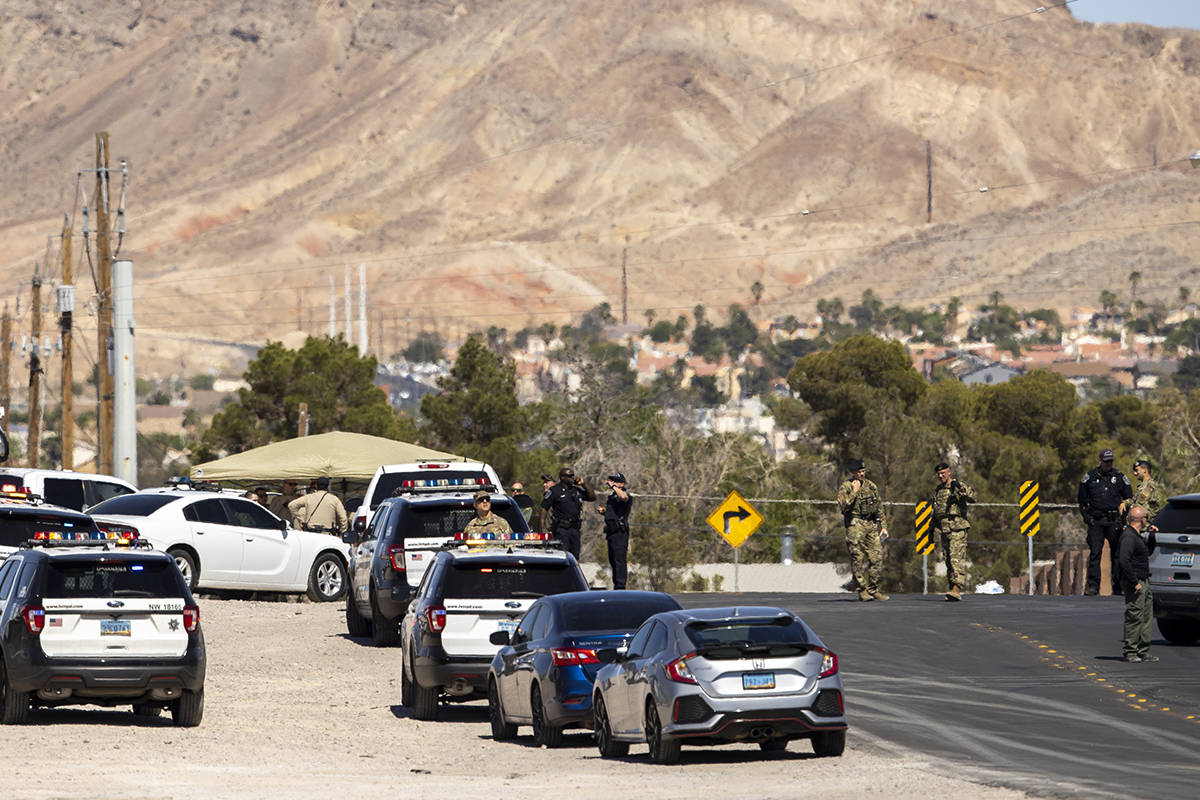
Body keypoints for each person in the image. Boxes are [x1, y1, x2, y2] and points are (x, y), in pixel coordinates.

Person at [1077, 449, 1133, 595]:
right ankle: (1093, 585)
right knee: (1095, 553)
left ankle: (1118, 586)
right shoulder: (1089, 477)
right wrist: (1087, 518)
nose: (1109, 464)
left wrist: (1124, 518)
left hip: (1114, 521)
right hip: (1096, 521)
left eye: (1111, 461)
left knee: (1117, 554)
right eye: (1106, 461)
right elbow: (1082, 501)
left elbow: (1128, 498)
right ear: (1100, 461)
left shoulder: (1119, 477)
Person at [837, 459, 887, 601]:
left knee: (877, 557)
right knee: (857, 557)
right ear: (853, 472)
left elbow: (879, 507)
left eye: (863, 471)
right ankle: (862, 589)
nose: (861, 474)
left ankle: (873, 588)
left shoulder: (871, 486)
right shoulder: (847, 486)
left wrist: (883, 526)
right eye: (859, 472)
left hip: (871, 524)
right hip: (855, 524)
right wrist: (854, 492)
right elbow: (843, 505)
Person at [1117, 505, 1158, 663]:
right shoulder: (1128, 537)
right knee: (1135, 616)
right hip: (1136, 581)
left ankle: (1143, 649)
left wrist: (1152, 536)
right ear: (1142, 519)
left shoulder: (1137, 536)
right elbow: (1123, 561)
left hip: (1144, 579)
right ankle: (1131, 650)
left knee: (1146, 615)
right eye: (1146, 518)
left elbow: (1147, 552)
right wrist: (1134, 583)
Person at [931, 462, 976, 602]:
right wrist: (931, 529)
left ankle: (956, 588)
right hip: (944, 529)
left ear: (949, 472)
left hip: (957, 528)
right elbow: (936, 511)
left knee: (956, 558)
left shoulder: (956, 486)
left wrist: (960, 488)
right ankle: (952, 587)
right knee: (949, 559)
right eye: (938, 474)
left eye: (943, 473)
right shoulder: (938, 490)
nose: (940, 476)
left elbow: (972, 497)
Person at [540, 467, 596, 560]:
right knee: (562, 556)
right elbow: (544, 508)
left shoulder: (576, 490)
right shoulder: (554, 491)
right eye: (570, 476)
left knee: (574, 558)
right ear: (562, 478)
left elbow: (592, 497)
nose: (573, 477)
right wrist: (542, 527)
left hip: (575, 529)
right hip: (561, 529)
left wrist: (584, 484)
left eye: (573, 475)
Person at [596, 472, 632, 590]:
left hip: (620, 532)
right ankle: (616, 584)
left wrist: (614, 487)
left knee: (619, 560)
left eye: (615, 481)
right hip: (611, 532)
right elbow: (615, 513)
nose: (612, 482)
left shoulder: (624, 494)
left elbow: (624, 497)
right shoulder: (612, 497)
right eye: (612, 480)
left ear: (621, 484)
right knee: (613, 560)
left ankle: (621, 586)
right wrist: (605, 512)